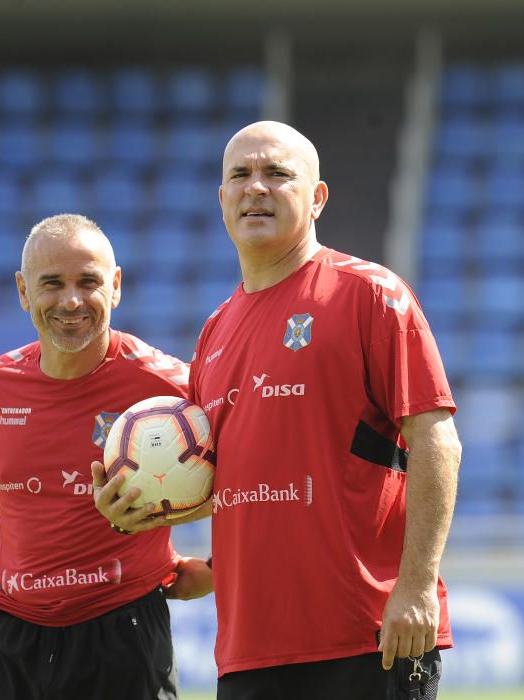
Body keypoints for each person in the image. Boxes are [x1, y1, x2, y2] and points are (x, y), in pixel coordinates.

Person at [96, 121, 461, 700]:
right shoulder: (215, 331)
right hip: (249, 652)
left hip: (366, 638)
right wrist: (140, 508)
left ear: (317, 198)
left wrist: (415, 588)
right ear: (221, 200)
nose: (255, 187)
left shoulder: (370, 293)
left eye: (277, 174)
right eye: (239, 175)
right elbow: (241, 480)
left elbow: (437, 440)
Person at [0, 213, 212, 700]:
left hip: (124, 629)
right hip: (14, 635)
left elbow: (248, 478)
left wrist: (219, 571)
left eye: (87, 282)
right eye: (51, 284)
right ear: (24, 292)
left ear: (115, 287)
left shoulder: (173, 388)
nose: (71, 300)